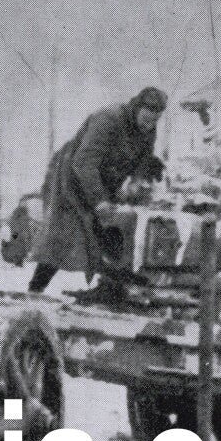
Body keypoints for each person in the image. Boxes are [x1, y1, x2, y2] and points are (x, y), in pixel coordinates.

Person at [29, 86, 166, 294]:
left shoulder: (148, 128)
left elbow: (144, 159)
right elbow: (83, 162)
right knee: (64, 235)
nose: (150, 125)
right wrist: (99, 200)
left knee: (107, 232)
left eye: (154, 121)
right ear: (137, 108)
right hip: (72, 175)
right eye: (147, 119)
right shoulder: (108, 119)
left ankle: (111, 289)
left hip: (105, 178)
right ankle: (35, 289)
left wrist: (136, 182)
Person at [2, 200, 35, 265]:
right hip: (17, 233)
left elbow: (26, 225)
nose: (24, 205)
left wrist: (27, 233)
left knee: (20, 246)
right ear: (19, 204)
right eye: (22, 203)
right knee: (16, 245)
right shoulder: (18, 213)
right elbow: (13, 222)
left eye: (24, 203)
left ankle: (18, 261)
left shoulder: (25, 213)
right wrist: (16, 232)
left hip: (21, 233)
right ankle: (17, 261)